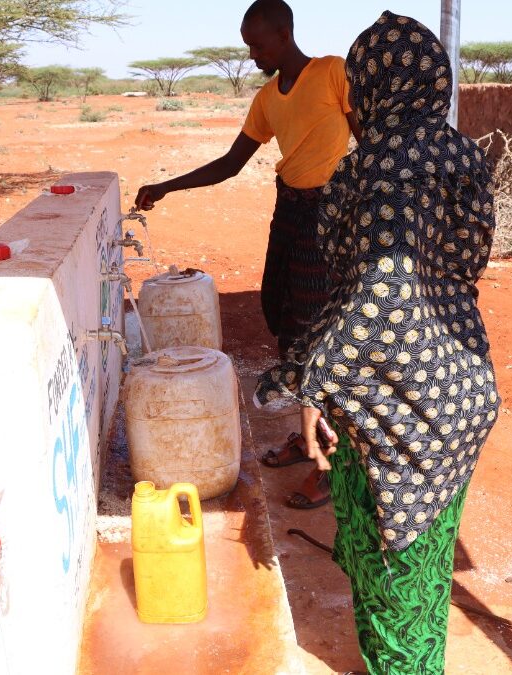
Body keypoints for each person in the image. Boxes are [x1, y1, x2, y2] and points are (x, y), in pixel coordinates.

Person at [255, 11, 501, 674]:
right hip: (457, 384)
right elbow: (463, 262)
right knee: (422, 561)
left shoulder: (374, 167)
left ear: (366, 88)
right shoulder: (462, 155)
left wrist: (305, 375)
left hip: (399, 401)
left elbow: (381, 295)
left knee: (391, 566)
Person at [135, 0, 359, 509]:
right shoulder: (265, 98)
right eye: (248, 46)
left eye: (257, 45)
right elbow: (233, 163)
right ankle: (307, 438)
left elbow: (365, 140)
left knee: (315, 332)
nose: (252, 54)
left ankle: (330, 460)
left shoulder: (331, 73)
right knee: (281, 314)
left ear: (284, 34)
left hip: (330, 215)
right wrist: (168, 186)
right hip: (290, 211)